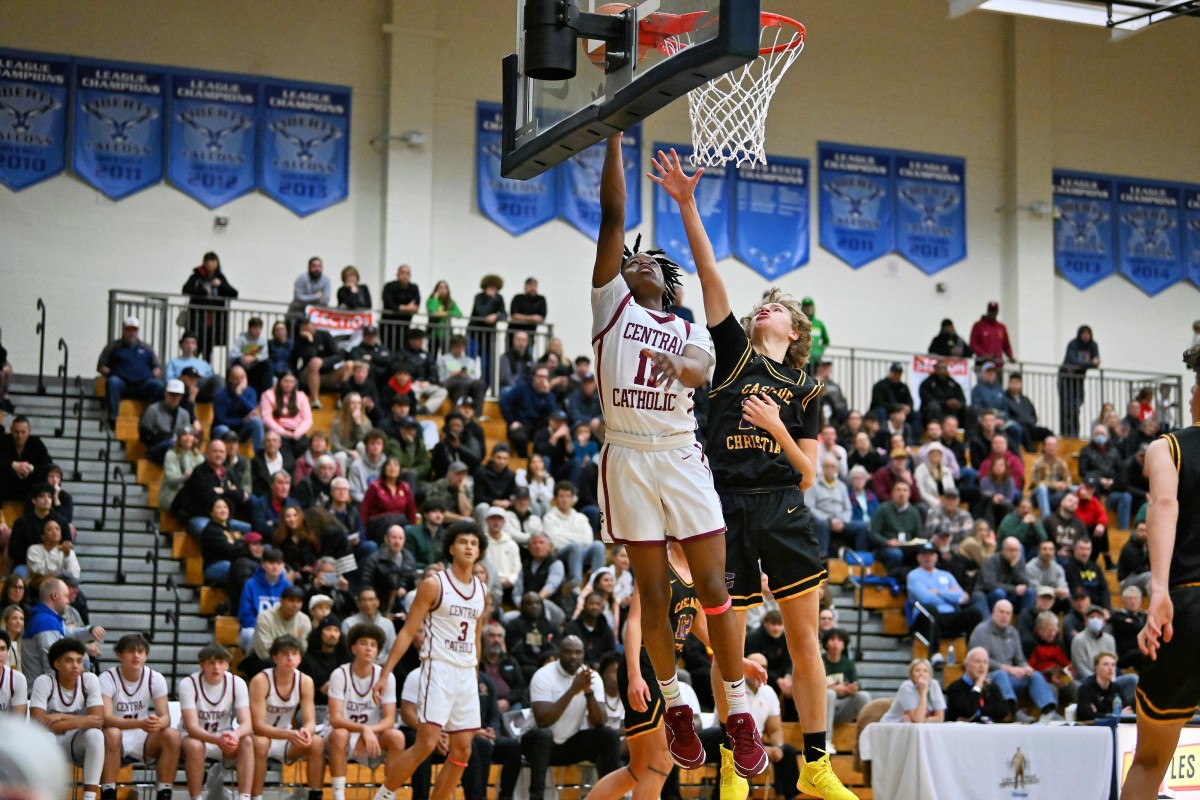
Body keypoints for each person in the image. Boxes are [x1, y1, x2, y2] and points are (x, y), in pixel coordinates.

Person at [651, 145, 852, 797]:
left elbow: (809, 476)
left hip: (783, 506)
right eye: (762, 304)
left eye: (777, 308)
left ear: (795, 331)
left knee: (805, 642)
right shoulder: (734, 355)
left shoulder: (806, 388)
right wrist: (685, 203)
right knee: (728, 646)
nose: (765, 307)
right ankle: (739, 764)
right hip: (725, 504)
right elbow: (710, 274)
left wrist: (774, 430)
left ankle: (816, 766)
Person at [1120, 347, 1199, 798]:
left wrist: (1158, 590)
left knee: (1150, 762)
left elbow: (1164, 504)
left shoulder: (1166, 447)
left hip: (1190, 604)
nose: (1190, 392)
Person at [364, 523, 487, 800]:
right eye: (463, 542)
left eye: (474, 543)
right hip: (438, 667)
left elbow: (477, 638)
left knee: (463, 749)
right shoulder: (435, 585)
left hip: (466, 672)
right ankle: (384, 795)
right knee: (427, 744)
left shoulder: (482, 591)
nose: (469, 546)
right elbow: (408, 630)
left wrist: (475, 676)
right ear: (451, 548)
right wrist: (385, 674)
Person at [521, 636, 622, 800]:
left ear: (583, 654)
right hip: (535, 744)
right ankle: (536, 797)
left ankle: (608, 796)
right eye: (568, 652)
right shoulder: (543, 675)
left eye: (578, 652)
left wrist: (588, 692)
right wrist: (573, 690)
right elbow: (542, 721)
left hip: (569, 742)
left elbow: (599, 722)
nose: (573, 656)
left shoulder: (591, 677)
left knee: (609, 736)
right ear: (559, 654)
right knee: (544, 735)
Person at [327, 624, 407, 800]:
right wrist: (363, 729)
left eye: (373, 645)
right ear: (353, 648)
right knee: (339, 734)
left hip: (373, 736)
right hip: (345, 735)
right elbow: (336, 719)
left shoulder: (387, 676)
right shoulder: (339, 674)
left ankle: (388, 796)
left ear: (378, 650)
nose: (369, 648)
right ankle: (338, 796)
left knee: (397, 737)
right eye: (363, 643)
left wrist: (370, 730)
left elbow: (389, 718)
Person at [98, 634, 178, 800]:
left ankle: (164, 793)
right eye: (131, 652)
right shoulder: (107, 678)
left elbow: (166, 718)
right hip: (115, 735)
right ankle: (108, 792)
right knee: (112, 733)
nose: (136, 656)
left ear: (146, 655)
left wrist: (157, 723)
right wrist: (140, 723)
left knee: (172, 735)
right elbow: (105, 718)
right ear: (120, 655)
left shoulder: (155, 678)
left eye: (140, 652)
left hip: (142, 736)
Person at [248, 635, 324, 800]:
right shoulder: (260, 681)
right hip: (257, 736)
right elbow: (258, 726)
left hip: (284, 736)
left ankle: (315, 795)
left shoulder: (305, 681)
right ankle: (256, 796)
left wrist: (305, 731)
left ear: (300, 658)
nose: (290, 658)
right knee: (261, 743)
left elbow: (310, 721)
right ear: (275, 657)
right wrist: (290, 734)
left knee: (316, 742)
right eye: (285, 654)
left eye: (294, 654)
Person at [29, 639, 106, 800]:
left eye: (79, 661)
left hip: (76, 743)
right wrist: (84, 720)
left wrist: (61, 718)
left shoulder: (90, 680)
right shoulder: (44, 681)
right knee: (47, 736)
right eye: (69, 661)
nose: (75, 665)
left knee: (96, 735)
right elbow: (37, 722)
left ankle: (89, 797)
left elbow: (98, 720)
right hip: (49, 743)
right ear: (57, 664)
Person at [178, 643, 254, 800]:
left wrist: (235, 735)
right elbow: (192, 727)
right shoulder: (188, 684)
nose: (216, 667)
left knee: (246, 741)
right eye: (211, 662)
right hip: (193, 737)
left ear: (227, 665)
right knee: (195, 745)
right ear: (202, 665)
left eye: (220, 662)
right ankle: (196, 797)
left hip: (223, 737)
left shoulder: (237, 683)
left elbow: (247, 723)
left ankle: (245, 797)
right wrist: (216, 739)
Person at [967, 600, 1062, 723]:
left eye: (1008, 613)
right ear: (993, 612)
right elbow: (981, 661)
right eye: (1001, 612)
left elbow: (1020, 659)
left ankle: (1049, 712)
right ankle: (1014, 711)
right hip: (987, 678)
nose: (1004, 616)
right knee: (1001, 674)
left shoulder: (1013, 632)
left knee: (1035, 675)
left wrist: (1025, 668)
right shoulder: (981, 631)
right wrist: (1008, 668)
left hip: (1011, 677)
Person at [906, 543, 985, 666]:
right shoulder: (914, 576)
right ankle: (935, 654)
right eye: (925, 555)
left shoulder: (946, 575)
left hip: (950, 615)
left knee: (975, 614)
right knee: (931, 610)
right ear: (919, 558)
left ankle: (971, 655)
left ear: (936, 557)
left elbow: (962, 597)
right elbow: (926, 599)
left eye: (931, 555)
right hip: (926, 618)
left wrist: (939, 592)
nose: (928, 558)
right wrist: (950, 595)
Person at [22, 577, 105, 680]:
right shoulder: (45, 622)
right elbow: (51, 664)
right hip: (44, 691)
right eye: (65, 596)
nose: (68, 601)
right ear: (55, 596)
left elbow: (70, 633)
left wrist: (90, 631)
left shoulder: (48, 618)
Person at [96, 317, 165, 427]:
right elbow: (101, 366)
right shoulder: (113, 346)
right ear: (123, 330)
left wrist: (152, 374)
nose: (131, 333)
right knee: (112, 382)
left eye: (134, 330)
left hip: (143, 384)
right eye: (128, 330)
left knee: (159, 385)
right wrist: (111, 373)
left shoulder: (147, 347)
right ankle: (113, 419)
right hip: (122, 384)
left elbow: (157, 367)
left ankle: (150, 417)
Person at [821, 629, 870, 752]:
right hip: (820, 709)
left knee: (863, 696)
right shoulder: (819, 660)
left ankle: (866, 741)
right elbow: (810, 687)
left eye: (839, 640)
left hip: (841, 709)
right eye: (832, 639)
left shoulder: (848, 663)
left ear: (844, 644)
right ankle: (825, 741)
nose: (835, 643)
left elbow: (856, 683)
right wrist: (835, 688)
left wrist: (852, 689)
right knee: (830, 694)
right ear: (826, 643)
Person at [944, 646, 1009, 722]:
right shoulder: (955, 688)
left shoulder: (991, 686)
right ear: (966, 665)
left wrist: (978, 712)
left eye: (985, 662)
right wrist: (977, 687)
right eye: (977, 661)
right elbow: (968, 711)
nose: (982, 666)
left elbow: (1003, 710)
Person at [1058, 325, 1100, 438]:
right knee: (1066, 407)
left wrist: (1082, 365)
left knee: (1077, 407)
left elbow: (1096, 362)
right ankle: (1065, 433)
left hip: (1079, 380)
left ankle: (1074, 434)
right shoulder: (1073, 344)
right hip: (1066, 379)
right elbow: (1072, 360)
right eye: (1084, 333)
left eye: (1088, 333)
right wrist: (1089, 363)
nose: (1086, 336)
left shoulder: (1093, 345)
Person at [1, 416, 52, 503]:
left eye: (23, 432)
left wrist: (30, 468)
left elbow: (48, 464)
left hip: (29, 485)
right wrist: (13, 465)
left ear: (29, 431)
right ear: (11, 430)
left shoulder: (36, 443)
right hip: (6, 485)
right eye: (16, 432)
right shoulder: (3, 441)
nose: (19, 436)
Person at [880, 658, 945, 723]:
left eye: (925, 671)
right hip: (891, 725)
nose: (921, 674)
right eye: (917, 671)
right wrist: (923, 691)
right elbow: (917, 720)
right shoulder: (906, 687)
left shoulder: (934, 684)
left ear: (930, 675)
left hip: (915, 727)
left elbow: (940, 718)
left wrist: (924, 720)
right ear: (911, 676)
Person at [382, 264, 421, 347]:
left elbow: (416, 307)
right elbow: (389, 304)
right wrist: (407, 307)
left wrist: (400, 307)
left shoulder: (414, 288)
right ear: (397, 274)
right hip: (388, 326)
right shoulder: (389, 286)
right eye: (402, 273)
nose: (405, 276)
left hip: (405, 326)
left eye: (407, 273)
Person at [968, 301, 1013, 370]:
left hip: (997, 365)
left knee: (998, 380)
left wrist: (1010, 356)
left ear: (997, 312)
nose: (993, 313)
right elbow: (973, 344)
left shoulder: (1001, 327)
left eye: (994, 311)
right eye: (991, 311)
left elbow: (1006, 345)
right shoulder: (978, 326)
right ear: (987, 311)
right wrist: (983, 355)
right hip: (982, 364)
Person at [1118, 521, 1152, 596]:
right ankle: (1156, 604)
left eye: (1146, 531)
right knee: (1151, 576)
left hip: (1140, 579)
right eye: (1141, 530)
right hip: (1126, 581)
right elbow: (1138, 569)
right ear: (1135, 531)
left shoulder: (1146, 546)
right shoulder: (1129, 548)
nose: (1144, 534)